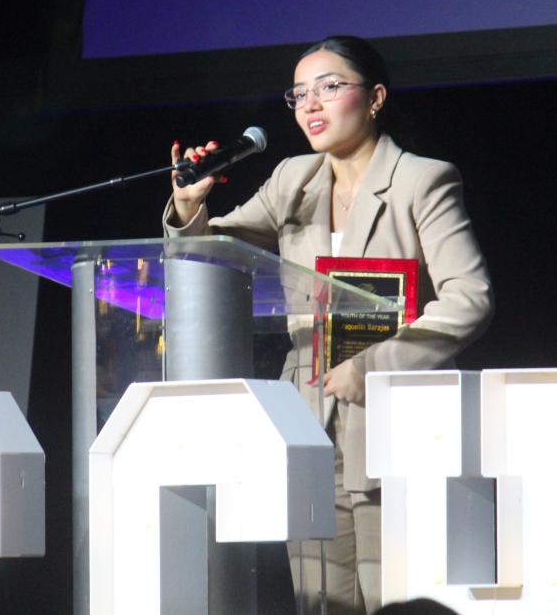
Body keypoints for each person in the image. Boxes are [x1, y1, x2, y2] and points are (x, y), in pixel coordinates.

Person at [163, 36, 494, 614]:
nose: (310, 106)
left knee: (396, 596)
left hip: (392, 420)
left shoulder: (422, 180)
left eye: (330, 88)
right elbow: (216, 254)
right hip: (308, 424)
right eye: (299, 95)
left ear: (375, 99)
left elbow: (470, 297)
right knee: (323, 604)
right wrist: (191, 206)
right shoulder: (294, 178)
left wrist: (373, 366)